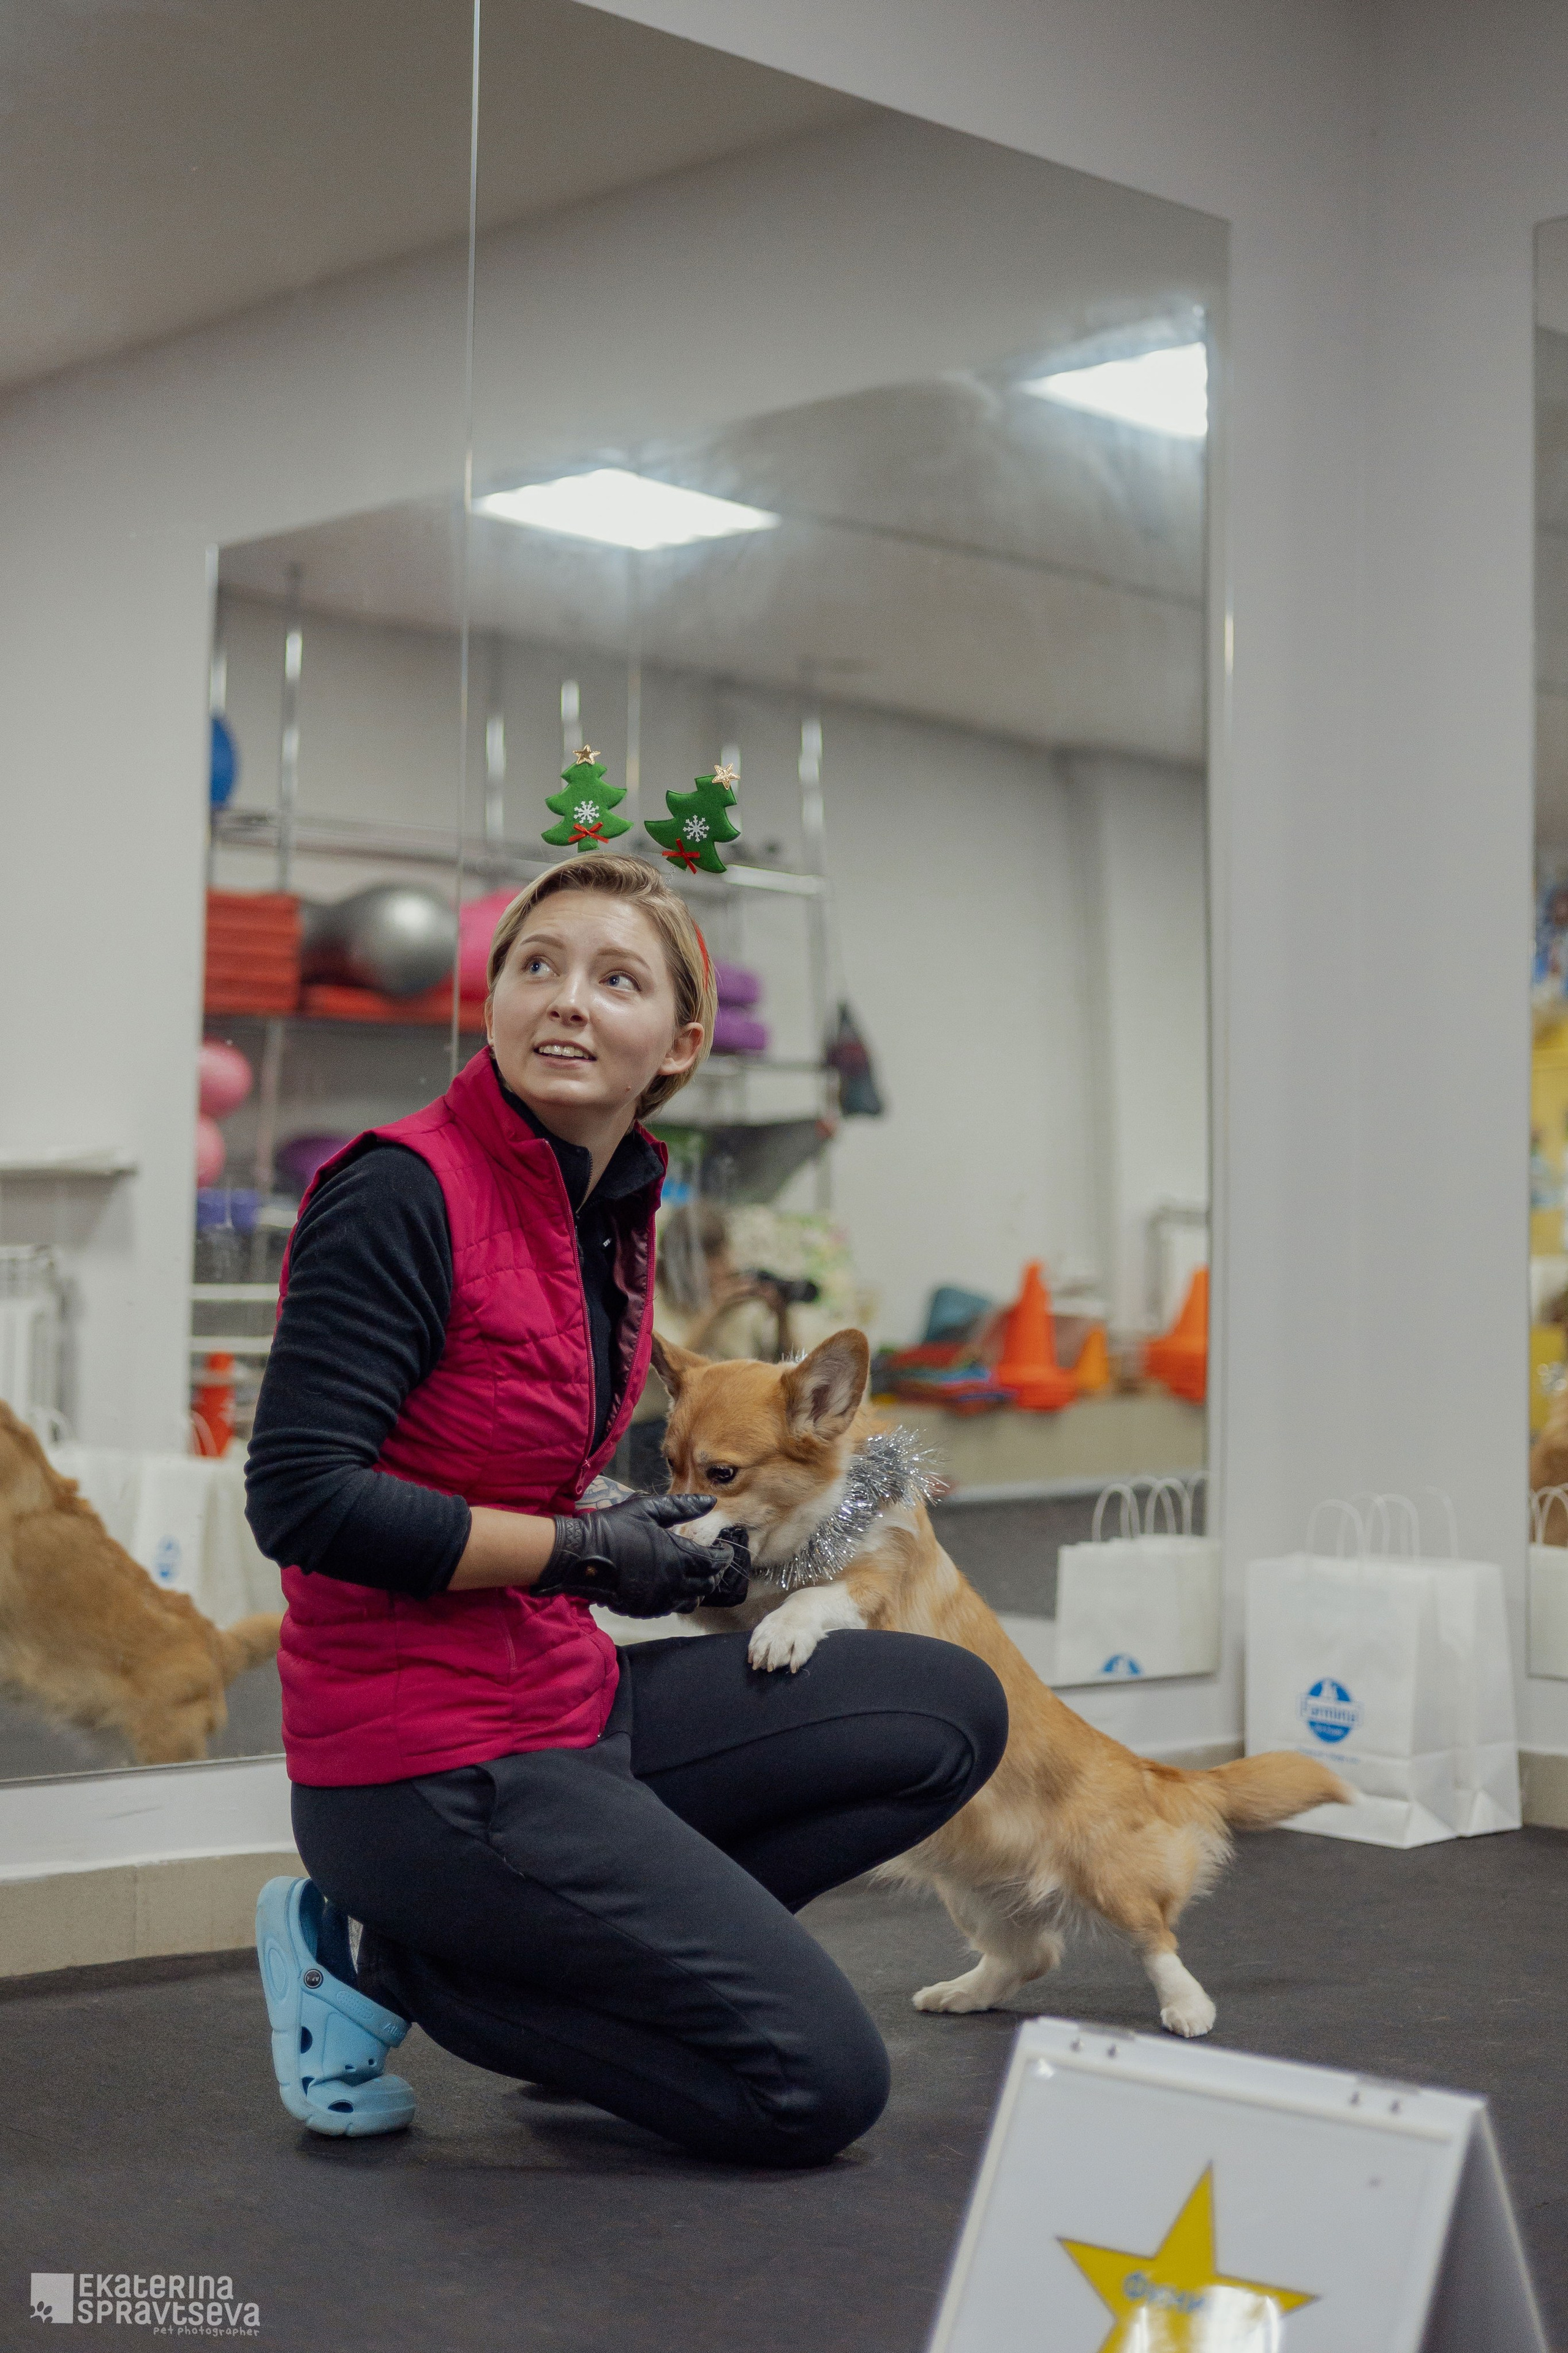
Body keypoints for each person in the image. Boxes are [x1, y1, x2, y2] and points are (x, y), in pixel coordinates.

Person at [246, 853, 1006, 2166]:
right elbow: (303, 1501)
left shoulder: (609, 1213)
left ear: (680, 1040)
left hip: (560, 1701)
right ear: (492, 1001)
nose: (566, 1002)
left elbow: (508, 1461)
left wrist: (626, 1527)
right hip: (427, 1766)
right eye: (535, 966)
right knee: (815, 2088)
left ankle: (570, 1976)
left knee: (946, 1709)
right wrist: (588, 1551)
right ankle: (432, 1975)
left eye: (616, 979)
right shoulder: (397, 1190)